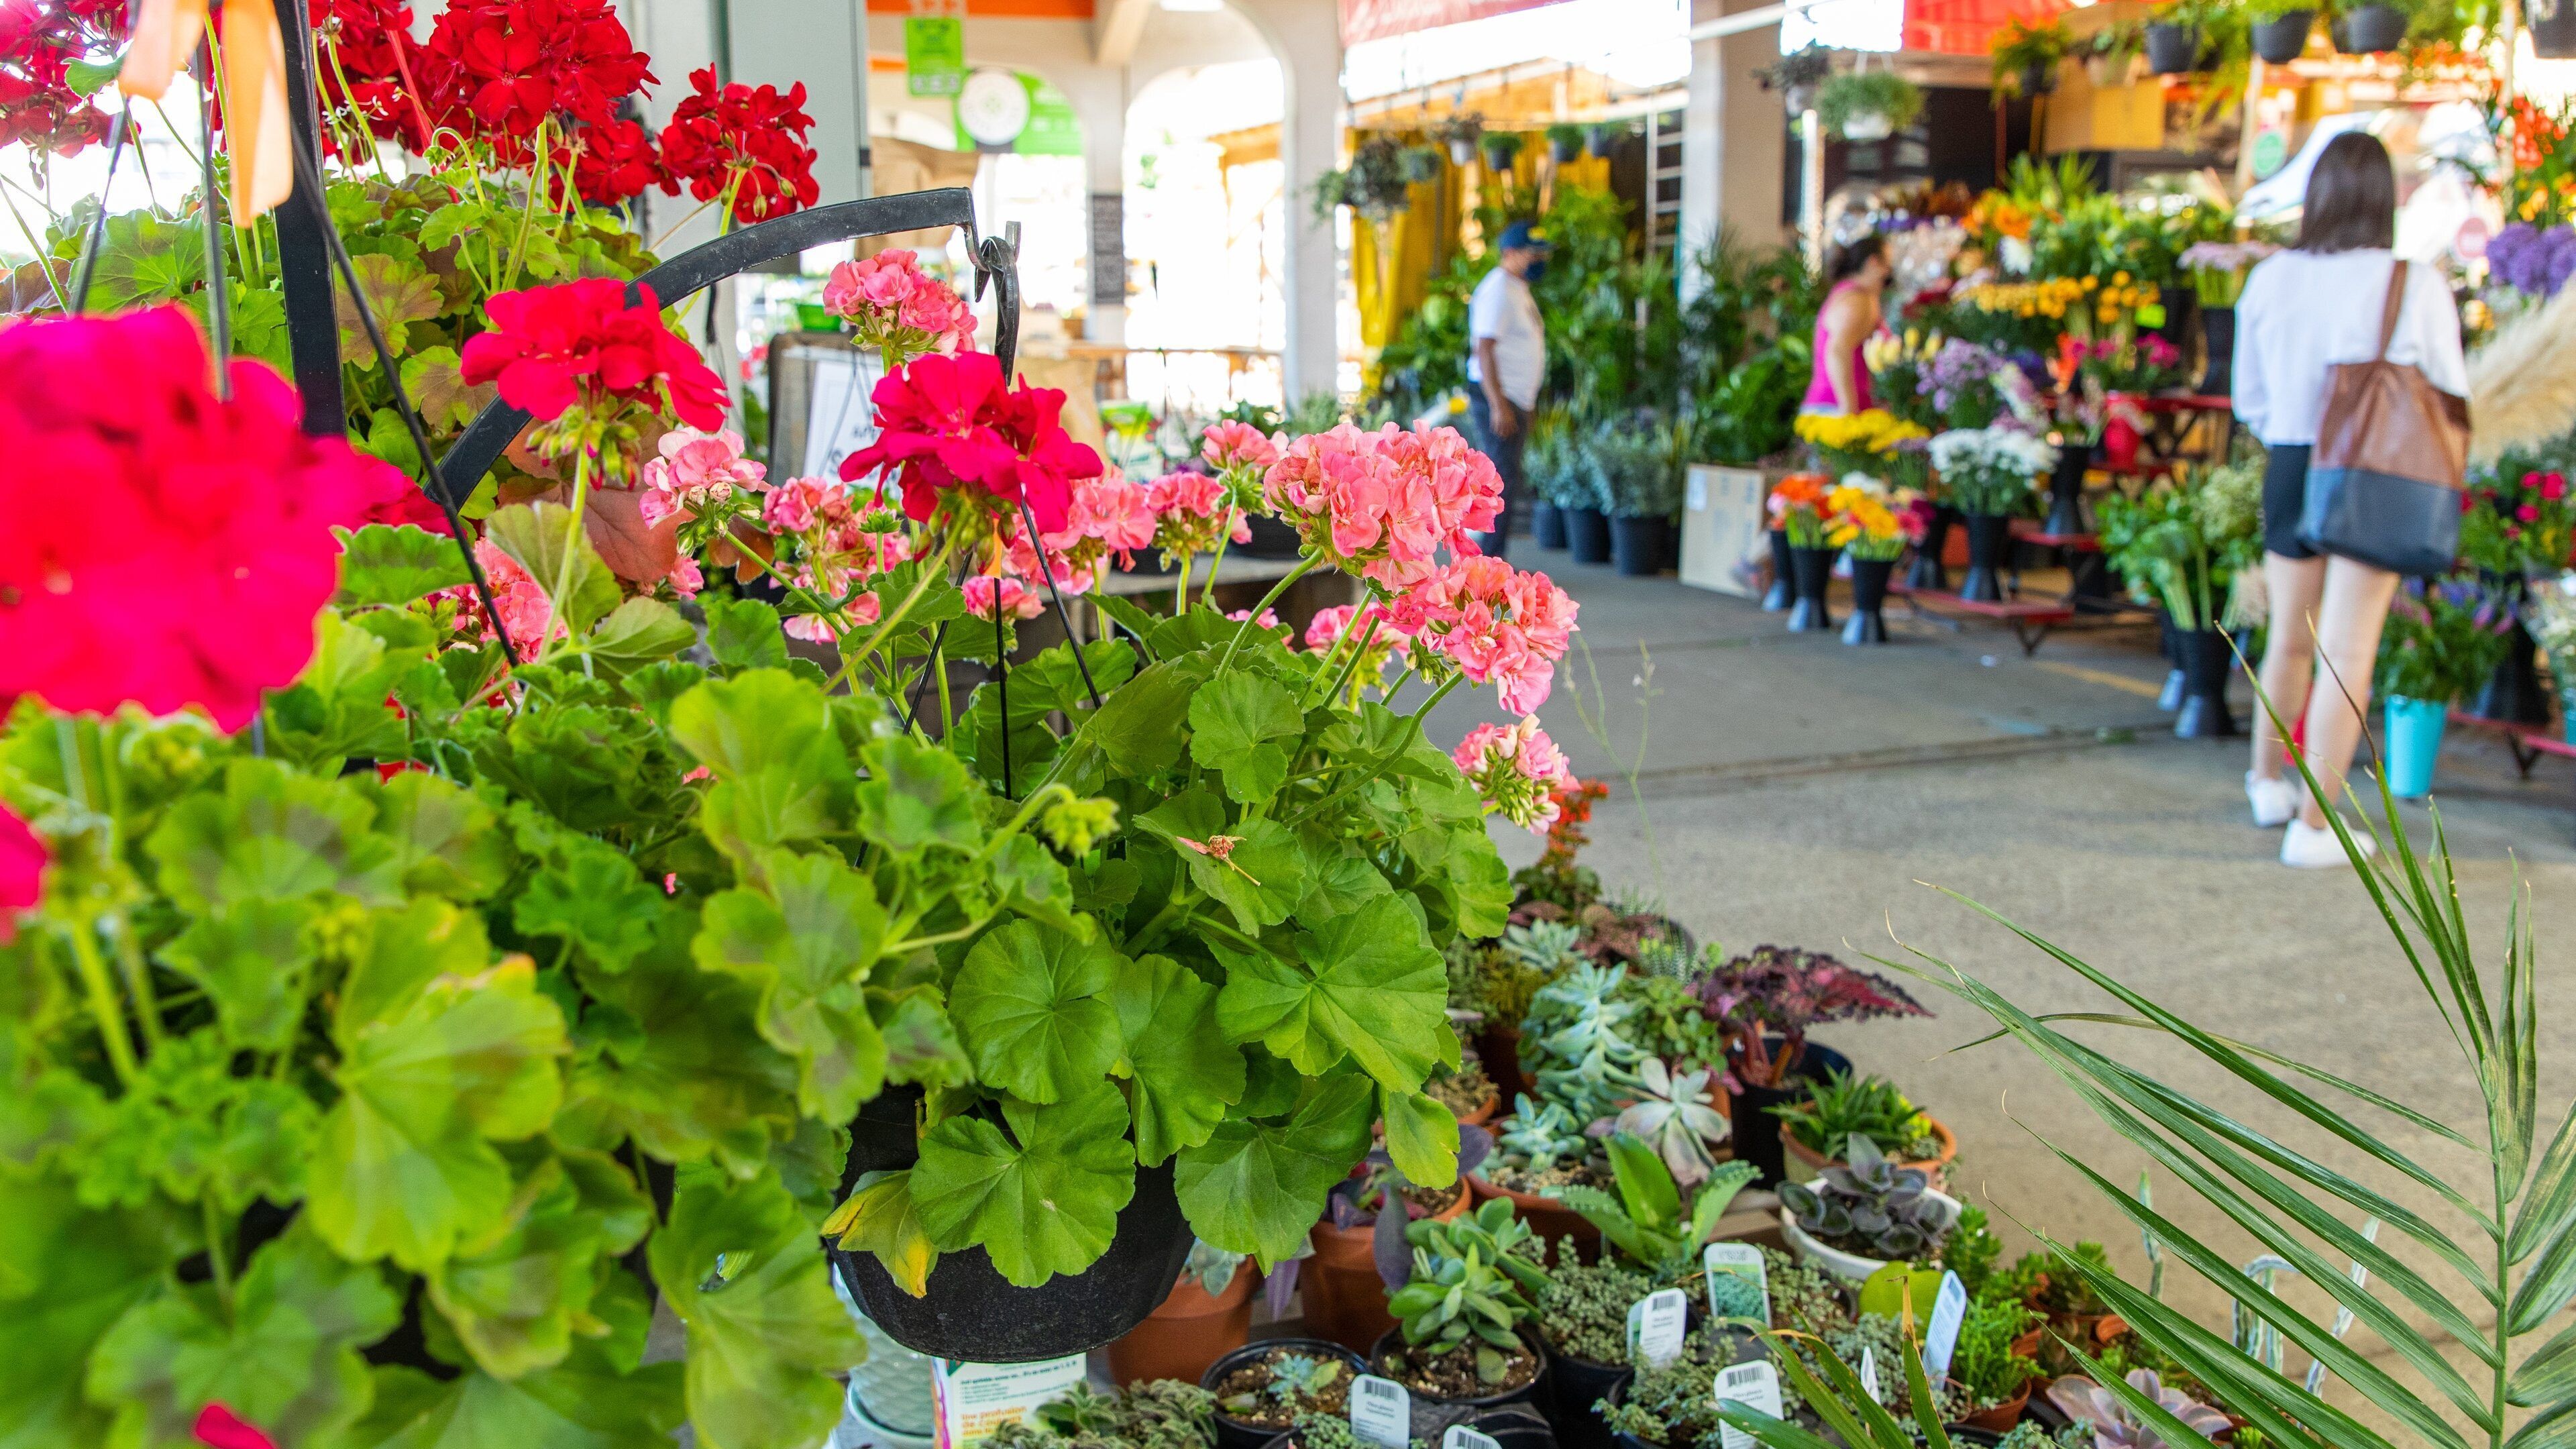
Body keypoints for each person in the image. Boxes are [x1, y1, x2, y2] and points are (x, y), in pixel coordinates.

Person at [2233, 131, 2468, 868]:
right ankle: (2314, 827)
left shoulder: (2269, 277)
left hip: (2292, 461)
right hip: (2373, 471)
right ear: (2385, 198)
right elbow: (2451, 391)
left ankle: (2266, 784)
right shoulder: (2413, 283)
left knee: (2289, 640)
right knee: (2347, 650)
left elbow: (2250, 398)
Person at [1466, 221, 1549, 557]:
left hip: (1514, 399)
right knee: (1498, 485)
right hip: (1499, 400)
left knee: (1506, 482)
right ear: (1510, 253)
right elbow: (1484, 348)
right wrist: (1499, 405)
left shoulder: (1517, 287)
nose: (1539, 259)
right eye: (1533, 253)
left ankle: (1490, 562)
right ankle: (1487, 564)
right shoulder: (1499, 288)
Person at [1801, 235, 1890, 417]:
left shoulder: (1861, 295)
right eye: (1888, 265)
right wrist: (1849, 411)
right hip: (1834, 409)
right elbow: (1837, 351)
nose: (1890, 273)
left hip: (1841, 407)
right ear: (1873, 263)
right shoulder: (1855, 299)